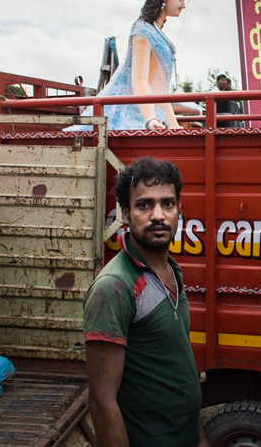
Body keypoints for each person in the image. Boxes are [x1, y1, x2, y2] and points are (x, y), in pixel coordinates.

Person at [83, 157, 205, 447]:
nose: (158, 215)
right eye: (144, 205)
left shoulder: (171, 269)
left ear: (179, 211)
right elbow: (102, 400)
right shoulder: (114, 287)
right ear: (125, 214)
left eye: (168, 204)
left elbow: (178, 366)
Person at [65, 0, 189, 131]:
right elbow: (140, 80)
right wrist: (150, 118)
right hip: (132, 119)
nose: (183, 5)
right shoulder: (143, 32)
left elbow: (159, 90)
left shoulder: (156, 34)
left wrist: (174, 126)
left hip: (147, 116)